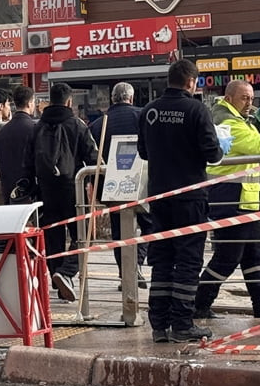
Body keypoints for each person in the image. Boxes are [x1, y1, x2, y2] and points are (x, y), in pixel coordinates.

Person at [193, 80, 260, 319]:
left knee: (254, 254)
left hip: (244, 201)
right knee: (227, 257)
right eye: (245, 98)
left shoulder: (239, 120)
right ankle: (198, 303)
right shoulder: (228, 122)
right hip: (230, 201)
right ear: (230, 98)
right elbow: (256, 146)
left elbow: (251, 144)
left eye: (252, 98)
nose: (250, 103)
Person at [138, 59, 224, 343]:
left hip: (159, 196)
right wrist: (222, 147)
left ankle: (159, 324)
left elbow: (143, 152)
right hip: (190, 196)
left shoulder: (149, 110)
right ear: (192, 82)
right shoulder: (197, 110)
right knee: (188, 259)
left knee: (162, 258)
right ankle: (183, 323)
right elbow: (213, 155)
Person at [23, 82, 99, 302]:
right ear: (69, 101)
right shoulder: (78, 125)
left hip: (45, 192)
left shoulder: (36, 127)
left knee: (53, 239)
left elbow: (27, 163)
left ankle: (59, 280)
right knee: (84, 237)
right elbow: (94, 160)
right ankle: (66, 273)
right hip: (73, 190)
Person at [89, 82, 155, 289]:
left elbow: (92, 156)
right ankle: (136, 264)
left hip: (111, 186)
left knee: (119, 230)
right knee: (150, 225)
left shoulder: (99, 124)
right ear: (132, 98)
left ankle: (125, 273)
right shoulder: (142, 116)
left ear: (112, 99)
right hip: (141, 183)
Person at [0, 85, 36, 204]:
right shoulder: (34, 129)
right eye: (33, 102)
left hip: (8, 192)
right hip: (30, 192)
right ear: (29, 103)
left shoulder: (2, 132)